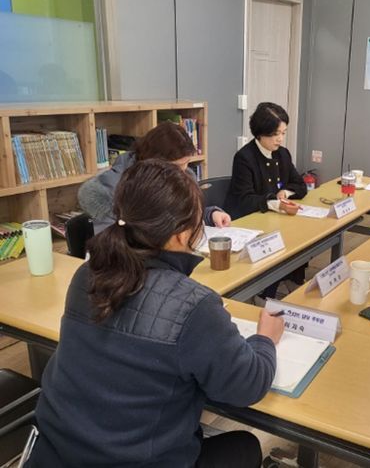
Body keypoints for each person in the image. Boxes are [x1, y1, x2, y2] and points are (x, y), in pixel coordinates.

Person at [30, 160, 283, 467]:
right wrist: (265, 339)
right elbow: (247, 385)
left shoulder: (87, 273)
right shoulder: (195, 306)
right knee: (246, 446)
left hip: (55, 454)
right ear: (180, 236)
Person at [78, 121, 231, 234]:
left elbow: (182, 214)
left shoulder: (178, 176)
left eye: (187, 163)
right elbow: (111, 241)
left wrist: (209, 215)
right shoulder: (116, 188)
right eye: (177, 165)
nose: (183, 171)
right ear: (155, 161)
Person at [227, 102, 307, 219]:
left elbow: (300, 185)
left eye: (283, 133)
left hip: (274, 218)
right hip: (250, 219)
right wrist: (276, 204)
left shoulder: (283, 154)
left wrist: (285, 192)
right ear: (260, 133)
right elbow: (245, 200)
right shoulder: (244, 157)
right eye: (275, 134)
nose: (280, 139)